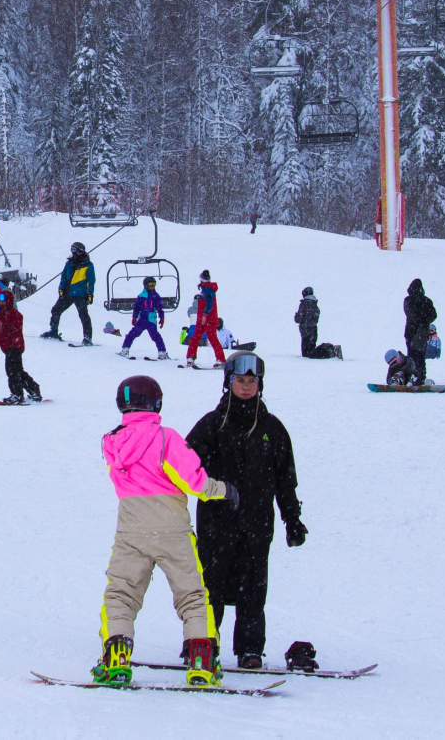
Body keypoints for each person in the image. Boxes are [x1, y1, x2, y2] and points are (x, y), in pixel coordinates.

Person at [95, 375, 235, 689]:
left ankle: (116, 656)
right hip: (173, 529)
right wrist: (223, 490)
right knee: (192, 596)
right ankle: (202, 661)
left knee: (122, 593)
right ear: (156, 402)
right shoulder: (166, 438)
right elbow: (194, 482)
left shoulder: (111, 442)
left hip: (131, 529)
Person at [185, 353, 306, 671]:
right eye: (241, 380)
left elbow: (286, 480)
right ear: (228, 382)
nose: (247, 386)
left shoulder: (272, 428)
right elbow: (184, 468)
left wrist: (292, 520)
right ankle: (204, 644)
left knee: (253, 587)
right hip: (216, 523)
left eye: (252, 381)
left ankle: (250, 649)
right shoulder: (212, 424)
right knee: (210, 585)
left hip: (257, 523)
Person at [41, 242, 95, 344]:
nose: (72, 251)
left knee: (83, 315)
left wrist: (90, 294)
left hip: (80, 294)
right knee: (56, 310)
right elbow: (64, 276)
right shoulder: (69, 263)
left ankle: (87, 337)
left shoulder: (88, 265)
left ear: (80, 251)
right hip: (68, 293)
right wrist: (61, 288)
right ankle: (53, 331)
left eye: (74, 249)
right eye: (71, 249)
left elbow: (91, 281)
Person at [0, 296, 42, 403]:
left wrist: (7, 338)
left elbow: (15, 328)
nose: (1, 303)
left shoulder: (15, 314)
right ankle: (34, 390)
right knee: (17, 371)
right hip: (7, 347)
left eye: (3, 301)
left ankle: (17, 394)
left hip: (15, 346)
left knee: (12, 371)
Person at [119, 277, 169, 360]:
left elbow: (159, 307)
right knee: (133, 333)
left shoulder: (156, 296)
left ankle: (162, 352)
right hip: (142, 318)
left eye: (154, 284)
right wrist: (134, 317)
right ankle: (125, 349)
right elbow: (137, 307)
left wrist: (162, 317)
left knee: (155, 336)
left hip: (151, 319)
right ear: (146, 285)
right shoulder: (141, 296)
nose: (152, 286)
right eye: (150, 284)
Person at [184, 271, 225, 367]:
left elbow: (209, 305)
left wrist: (205, 315)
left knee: (210, 338)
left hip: (208, 320)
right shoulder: (205, 289)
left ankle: (221, 360)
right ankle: (191, 357)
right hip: (203, 320)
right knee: (196, 337)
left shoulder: (208, 289)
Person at [403, 278, 437, 386]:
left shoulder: (408, 300)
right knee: (420, 357)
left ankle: (413, 378)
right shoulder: (426, 301)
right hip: (421, 333)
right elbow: (433, 315)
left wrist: (420, 321)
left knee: (412, 357)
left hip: (411, 332)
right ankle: (420, 377)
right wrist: (424, 321)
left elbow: (410, 314)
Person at [294, 287, 321, 356]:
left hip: (305, 329)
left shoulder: (303, 304)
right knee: (311, 349)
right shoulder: (315, 304)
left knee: (305, 352)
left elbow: (298, 319)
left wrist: (296, 317)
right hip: (313, 328)